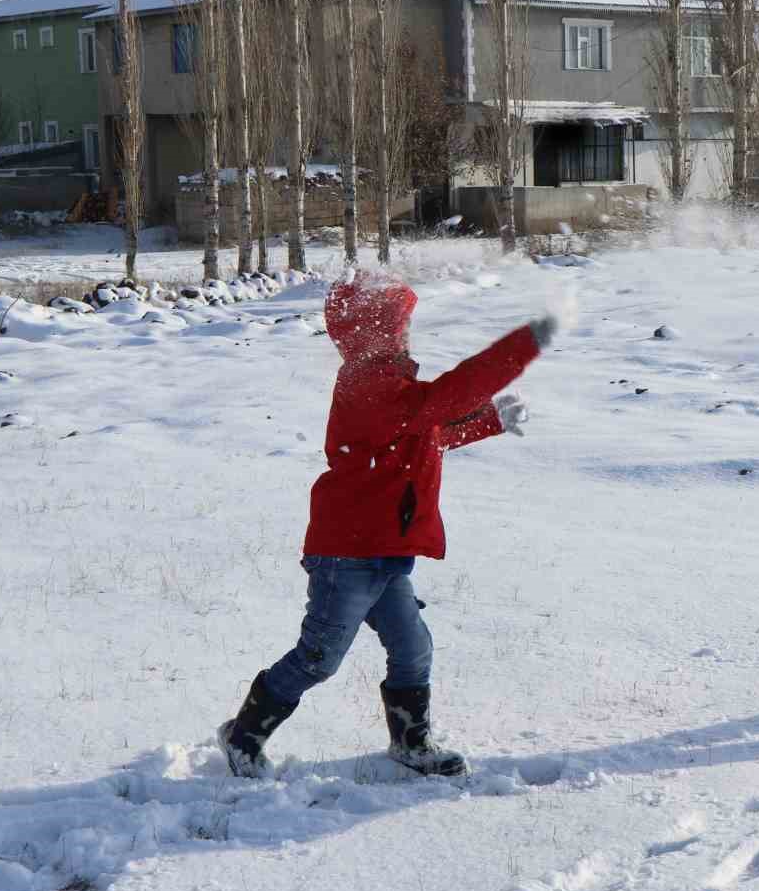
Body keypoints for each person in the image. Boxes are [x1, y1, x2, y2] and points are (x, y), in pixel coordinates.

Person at [219, 273, 555, 776]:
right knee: (319, 657)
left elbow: (427, 433)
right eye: (396, 326)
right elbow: (439, 404)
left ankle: (411, 743)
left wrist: (490, 421)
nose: (404, 335)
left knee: (412, 647)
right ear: (370, 331)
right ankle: (243, 734)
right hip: (347, 556)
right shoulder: (366, 382)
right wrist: (524, 344)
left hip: (383, 552)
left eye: (403, 327)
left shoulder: (389, 384)